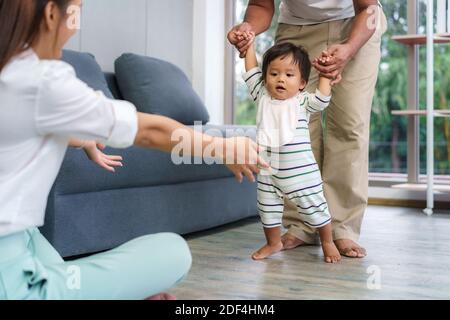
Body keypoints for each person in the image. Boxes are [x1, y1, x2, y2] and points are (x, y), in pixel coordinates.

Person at [0, 0, 267, 300]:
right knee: (173, 252)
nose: (77, 22)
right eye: (76, 10)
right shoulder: (41, 79)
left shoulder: (13, 74)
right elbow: (149, 132)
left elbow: (24, 128)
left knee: (41, 249)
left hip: (22, 240)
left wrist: (82, 137)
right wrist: (222, 147)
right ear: (51, 14)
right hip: (15, 278)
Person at [228, 0, 387, 258]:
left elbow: (368, 7)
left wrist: (349, 48)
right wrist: (247, 30)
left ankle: (341, 228)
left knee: (349, 125)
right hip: (297, 27)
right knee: (297, 131)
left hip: (356, 24)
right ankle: (302, 224)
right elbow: (261, 4)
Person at [240, 32, 340, 263]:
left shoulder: (302, 101)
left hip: (301, 174)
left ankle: (327, 241)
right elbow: (251, 70)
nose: (280, 79)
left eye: (288, 75)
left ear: (302, 83)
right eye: (274, 74)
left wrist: (325, 73)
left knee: (315, 207)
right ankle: (273, 243)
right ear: (266, 78)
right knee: (267, 209)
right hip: (268, 171)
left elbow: (322, 99)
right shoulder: (262, 94)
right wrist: (249, 46)